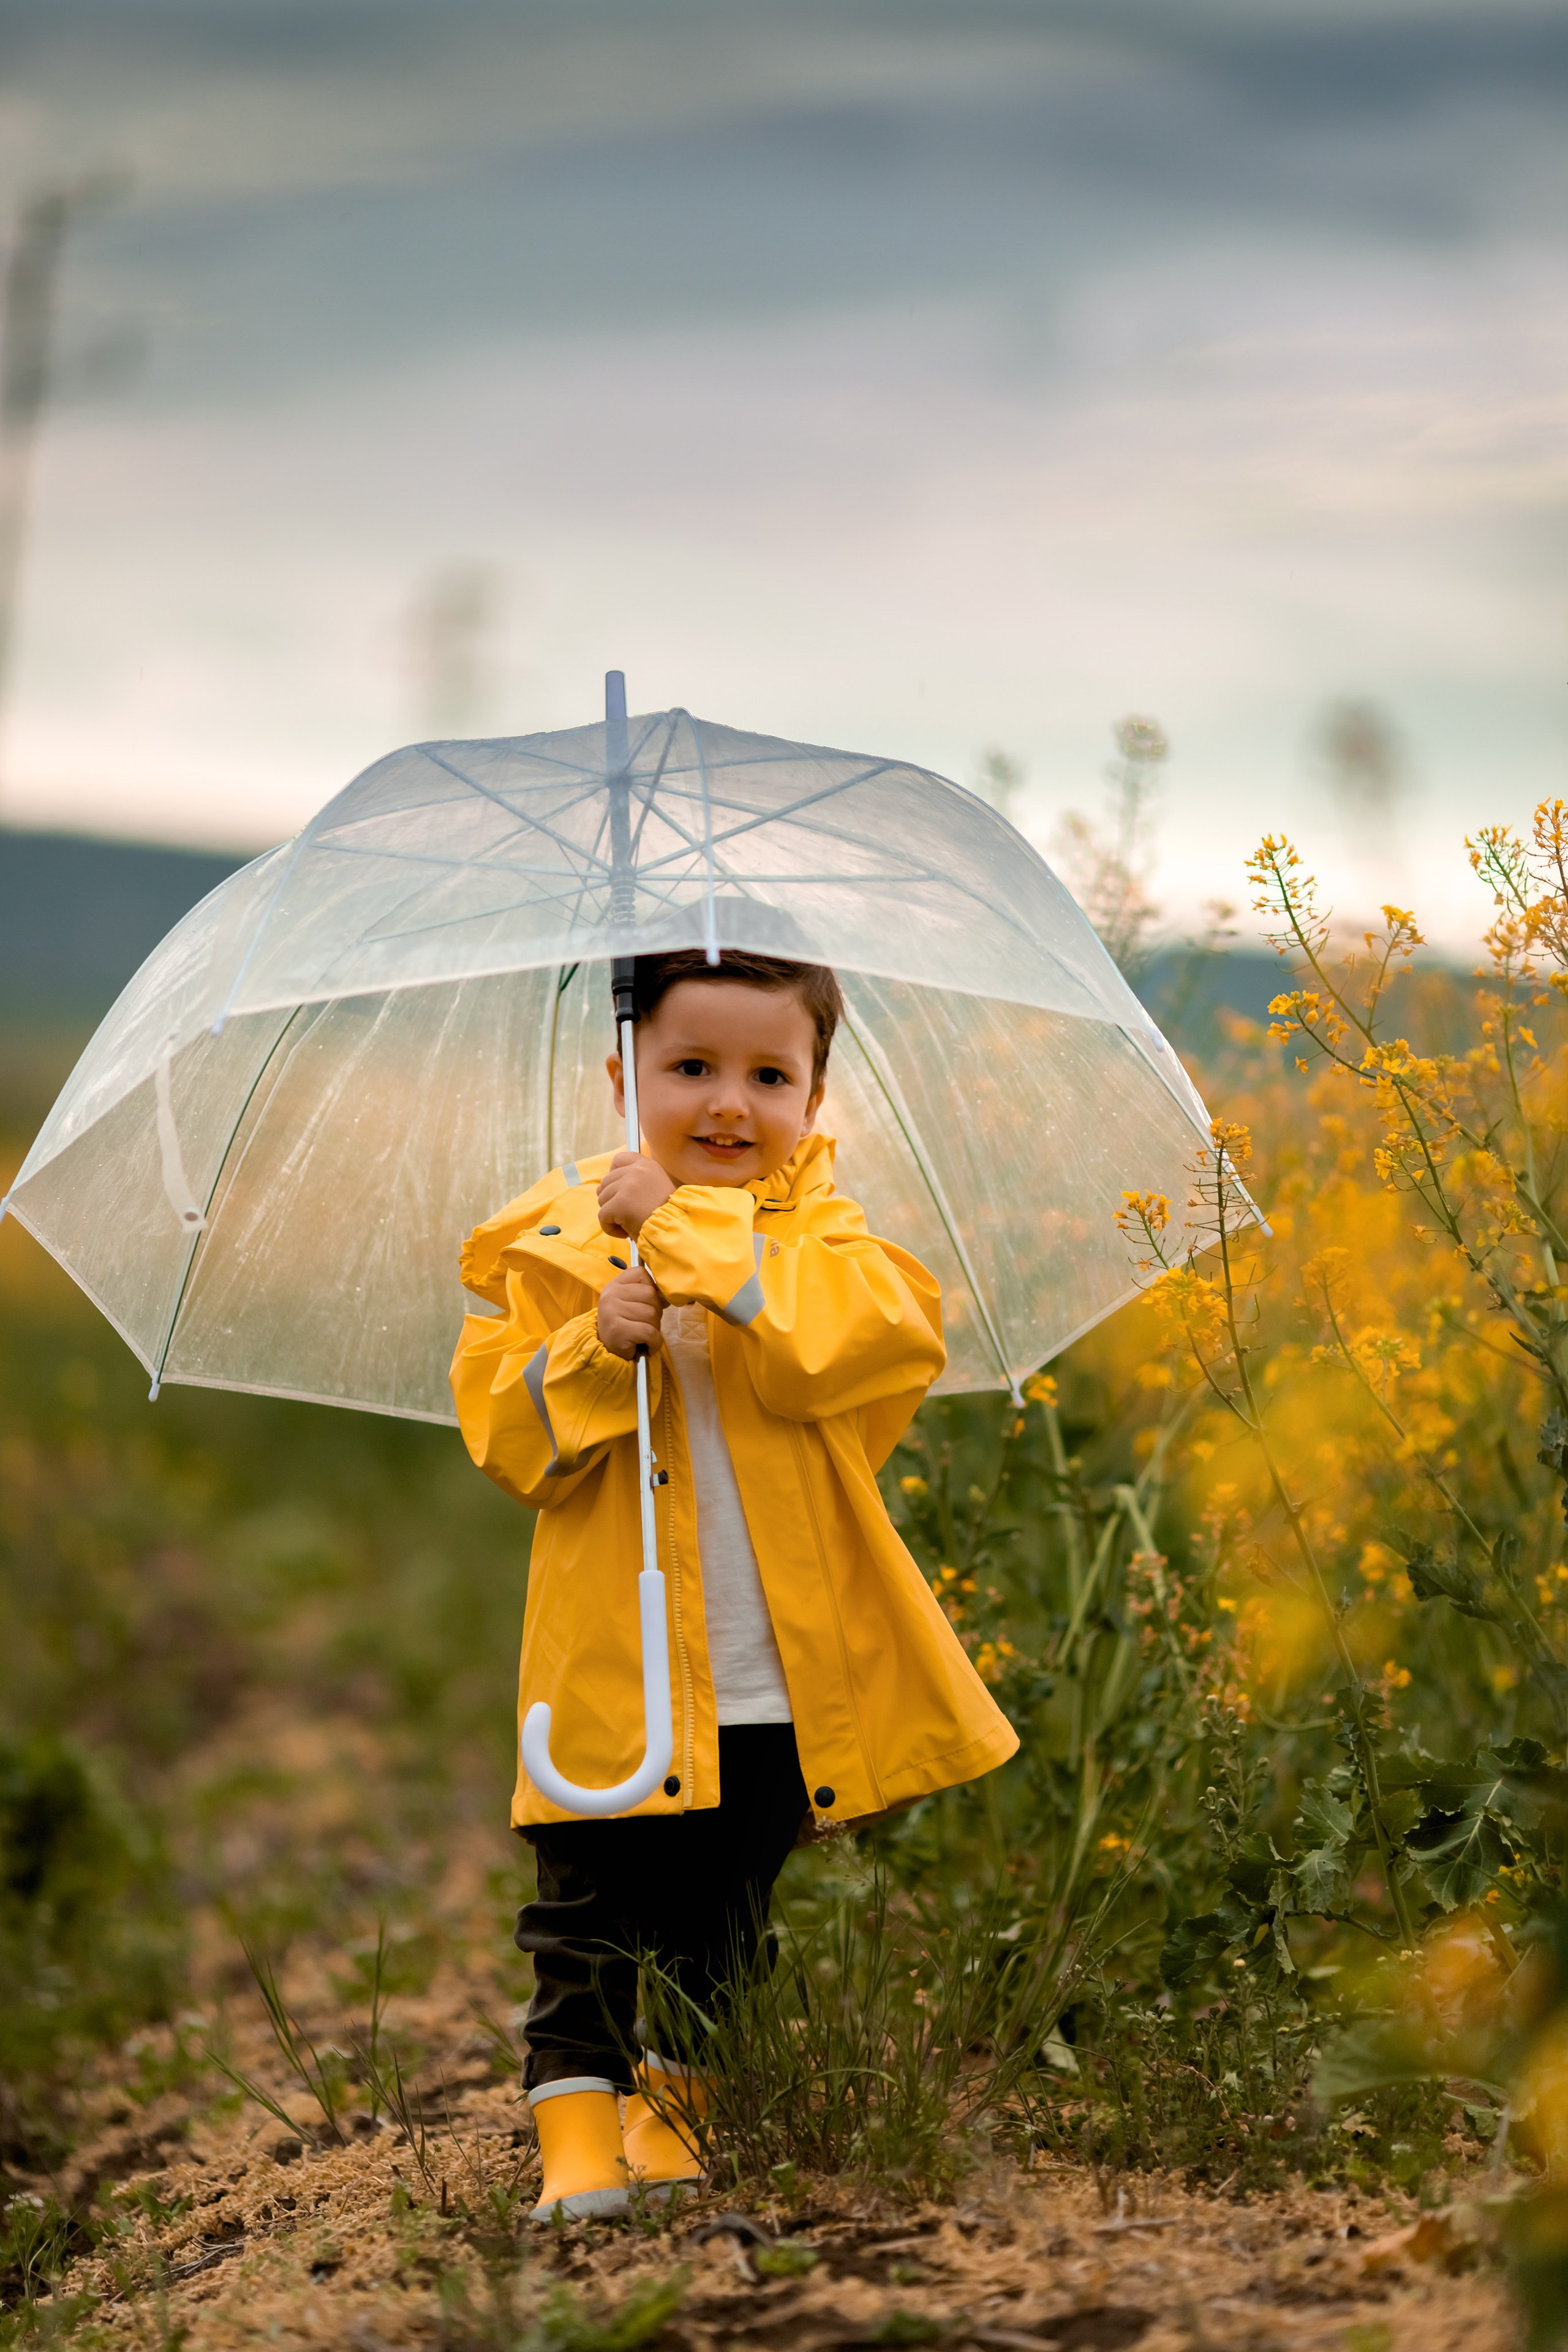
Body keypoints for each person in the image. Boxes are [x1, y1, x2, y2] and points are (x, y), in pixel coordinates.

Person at [450, 948, 1018, 2220]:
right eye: (690, 1067)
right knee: (586, 1913)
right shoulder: (548, 1246)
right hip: (613, 1661)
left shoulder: (826, 1245)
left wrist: (686, 1226)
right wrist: (591, 1355)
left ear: (816, 1100)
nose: (727, 1105)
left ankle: (677, 2119)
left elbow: (858, 1355)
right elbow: (506, 1442)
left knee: (724, 1915)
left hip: (770, 1669)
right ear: (622, 1075)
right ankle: (577, 2147)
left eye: (770, 1075)